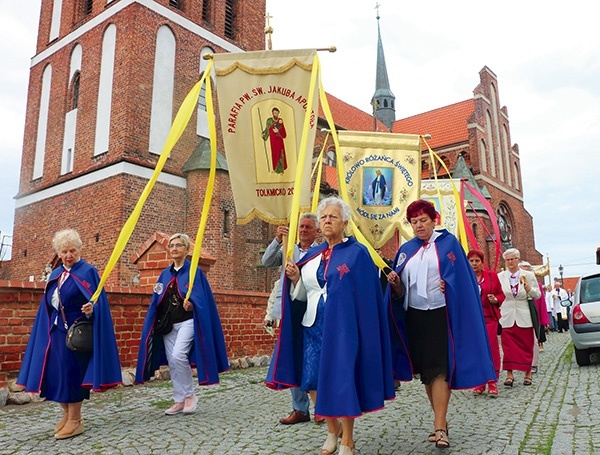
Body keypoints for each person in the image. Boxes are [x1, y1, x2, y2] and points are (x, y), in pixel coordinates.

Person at [267, 197, 395, 455]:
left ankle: (347, 439)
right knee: (311, 379)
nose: (327, 221)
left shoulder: (357, 253)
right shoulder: (313, 255)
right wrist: (295, 280)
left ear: (345, 222)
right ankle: (331, 428)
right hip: (312, 325)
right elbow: (304, 295)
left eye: (333, 217)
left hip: (344, 330)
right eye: (323, 217)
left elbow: (366, 295)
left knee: (342, 380)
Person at [387, 200, 495, 449]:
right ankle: (441, 421)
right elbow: (402, 290)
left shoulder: (448, 244)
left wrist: (451, 287)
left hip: (440, 314)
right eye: (414, 222)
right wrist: (394, 285)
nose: (419, 225)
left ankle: (439, 427)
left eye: (423, 220)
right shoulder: (406, 249)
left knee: (439, 369)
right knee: (427, 373)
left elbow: (463, 280)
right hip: (415, 316)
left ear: (434, 220)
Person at [17, 229, 122, 439]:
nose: (68, 255)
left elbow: (98, 300)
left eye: (72, 250)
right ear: (58, 252)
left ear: (80, 250)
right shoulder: (55, 274)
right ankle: (65, 416)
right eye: (64, 251)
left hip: (77, 333)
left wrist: (92, 307)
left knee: (73, 374)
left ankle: (76, 420)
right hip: (55, 332)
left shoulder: (88, 271)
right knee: (58, 374)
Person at [135, 233, 229, 415]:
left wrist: (193, 304)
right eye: (171, 246)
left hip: (187, 322)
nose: (174, 248)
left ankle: (190, 396)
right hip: (168, 324)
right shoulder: (165, 273)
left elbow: (204, 300)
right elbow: (158, 297)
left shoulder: (195, 272)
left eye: (179, 245)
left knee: (179, 355)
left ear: (187, 249)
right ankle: (179, 399)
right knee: (172, 361)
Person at [261, 214, 323, 424]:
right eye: (301, 227)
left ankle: (321, 407)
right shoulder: (289, 248)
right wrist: (278, 239)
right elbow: (267, 261)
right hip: (289, 308)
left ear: (316, 231)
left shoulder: (321, 253)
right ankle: (300, 409)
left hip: (312, 306)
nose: (304, 230)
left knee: (313, 356)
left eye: (308, 227)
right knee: (292, 354)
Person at [497, 248, 541, 387]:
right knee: (508, 347)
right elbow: (498, 294)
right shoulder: (500, 277)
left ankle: (528, 373)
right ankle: (509, 375)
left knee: (526, 345)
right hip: (507, 315)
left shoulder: (528, 275)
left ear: (518, 260)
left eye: (513, 259)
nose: (510, 262)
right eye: (508, 260)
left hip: (524, 314)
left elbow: (537, 294)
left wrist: (529, 289)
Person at [467, 249, 505, 396]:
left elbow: (501, 294)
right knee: (476, 350)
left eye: (477, 261)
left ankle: (492, 381)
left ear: (482, 263)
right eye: (471, 261)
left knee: (491, 348)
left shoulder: (491, 276)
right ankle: (480, 382)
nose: (474, 264)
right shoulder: (465, 277)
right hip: (472, 320)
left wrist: (495, 300)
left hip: (489, 318)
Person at [519, 261, 550, 372]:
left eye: (528, 270)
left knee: (534, 339)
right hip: (520, 314)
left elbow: (541, 303)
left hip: (534, 314)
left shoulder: (538, 286)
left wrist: (544, 320)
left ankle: (533, 363)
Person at [261, 106, 287, 173]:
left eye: (277, 113)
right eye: (275, 113)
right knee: (275, 153)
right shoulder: (269, 120)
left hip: (279, 140)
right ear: (272, 113)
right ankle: (276, 169)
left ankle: (281, 170)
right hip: (273, 140)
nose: (276, 114)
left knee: (280, 153)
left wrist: (278, 131)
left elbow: (283, 132)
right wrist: (263, 134)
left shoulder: (280, 121)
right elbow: (267, 129)